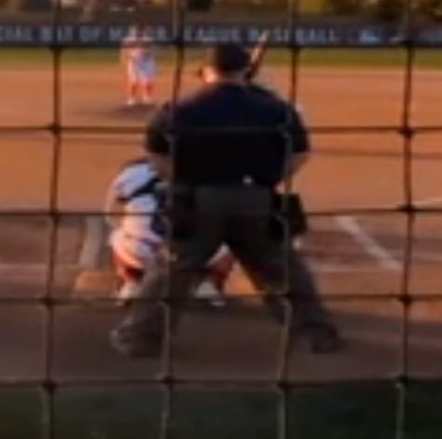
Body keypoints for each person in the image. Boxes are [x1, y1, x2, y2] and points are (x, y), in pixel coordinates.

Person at [111, 42, 342, 358]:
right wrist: (269, 179)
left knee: (171, 272)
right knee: (282, 270)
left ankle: (140, 339)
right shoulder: (276, 109)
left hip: (198, 202)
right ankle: (317, 336)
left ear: (207, 70)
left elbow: (155, 152)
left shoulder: (180, 108)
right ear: (245, 70)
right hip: (257, 202)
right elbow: (300, 154)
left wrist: (182, 180)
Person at [104, 155, 236, 306]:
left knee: (117, 235)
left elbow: (110, 215)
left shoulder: (129, 174)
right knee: (228, 236)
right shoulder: (202, 172)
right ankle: (209, 283)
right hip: (194, 253)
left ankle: (132, 282)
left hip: (142, 251)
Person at [121, 26, 156, 106]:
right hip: (133, 62)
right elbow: (124, 51)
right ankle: (131, 98)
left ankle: (147, 97)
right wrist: (126, 60)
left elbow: (152, 51)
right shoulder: (128, 40)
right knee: (133, 81)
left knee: (147, 81)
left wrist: (146, 55)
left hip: (146, 62)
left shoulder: (148, 40)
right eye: (136, 31)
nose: (138, 33)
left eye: (140, 31)